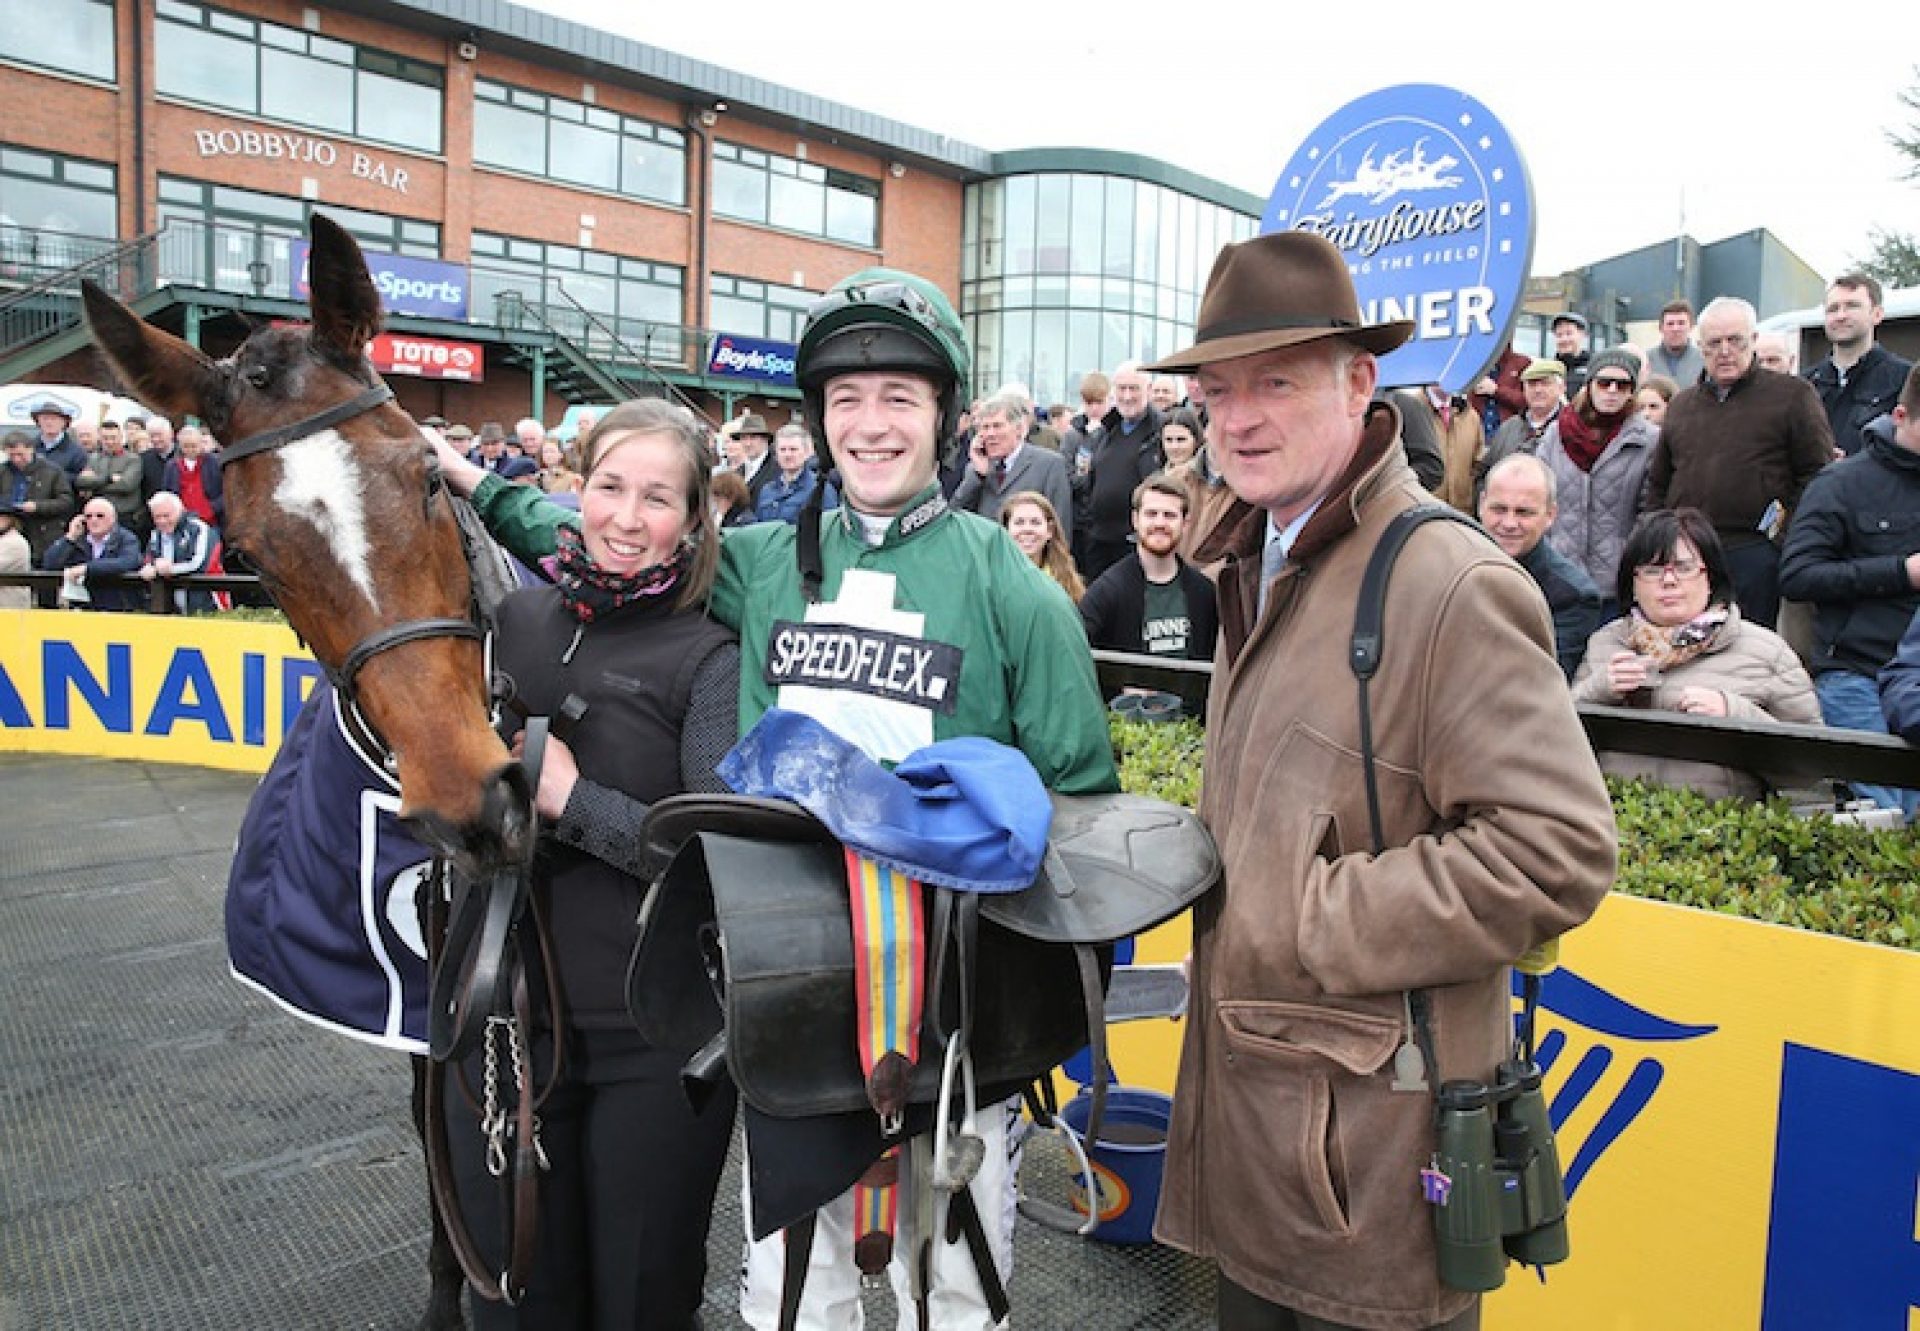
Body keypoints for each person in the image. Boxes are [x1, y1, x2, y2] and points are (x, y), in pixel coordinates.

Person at [441, 266, 1118, 1330]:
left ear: (942, 413)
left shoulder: (1016, 590)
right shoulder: (756, 563)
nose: (871, 423)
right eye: (847, 399)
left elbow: (1083, 811)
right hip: (791, 1000)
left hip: (956, 1018)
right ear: (818, 416)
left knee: (956, 1295)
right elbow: (620, 526)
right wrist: (465, 475)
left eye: (900, 396)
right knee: (795, 1296)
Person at [1156, 230, 1615, 1331]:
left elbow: (1557, 850)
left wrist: (1307, 913)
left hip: (1372, 1164)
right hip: (1268, 1138)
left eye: (1276, 379)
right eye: (1219, 389)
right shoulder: (1258, 552)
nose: (1240, 416)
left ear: (1361, 382)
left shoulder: (1448, 581)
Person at [454, 398, 743, 1328]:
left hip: (653, 1040)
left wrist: (572, 802)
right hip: (507, 1028)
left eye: (658, 498)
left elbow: (711, 865)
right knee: (516, 1296)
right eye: (609, 486)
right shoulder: (513, 618)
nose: (626, 516)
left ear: (696, 520)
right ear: (575, 489)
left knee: (641, 1300)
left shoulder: (712, 657)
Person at [1573, 508, 1819, 800]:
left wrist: (1736, 713)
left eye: (1684, 567)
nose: (1668, 581)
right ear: (1633, 585)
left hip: (1722, 836)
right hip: (1620, 829)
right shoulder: (1605, 643)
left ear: (1710, 577)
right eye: (1652, 571)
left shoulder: (1766, 652)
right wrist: (1595, 692)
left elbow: (1808, 773)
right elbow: (1553, 743)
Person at [1779, 362, 1920, 819]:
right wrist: (1901, 572)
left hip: (1913, 679)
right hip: (1857, 672)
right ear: (1900, 416)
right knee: (1895, 813)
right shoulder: (1842, 484)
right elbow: (1799, 574)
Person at [1641, 296, 1834, 628]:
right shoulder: (1683, 404)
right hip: (1688, 553)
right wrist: (1658, 539)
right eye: (1714, 342)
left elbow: (1817, 474)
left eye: (1735, 340)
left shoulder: (1792, 395)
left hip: (1755, 552)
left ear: (1753, 340)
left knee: (1748, 651)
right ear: (1700, 346)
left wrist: (1781, 539)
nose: (1725, 350)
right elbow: (1660, 481)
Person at [1536, 346, 1659, 616]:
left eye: (1623, 384)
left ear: (1632, 391)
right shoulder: (1556, 433)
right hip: (1559, 575)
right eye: (1604, 383)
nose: (1612, 391)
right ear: (1590, 385)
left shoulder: (1649, 440)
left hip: (1616, 582)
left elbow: (1650, 511)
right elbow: (1538, 498)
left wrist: (1632, 560)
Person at [1479, 455, 1603, 677]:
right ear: (1481, 505)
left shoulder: (1574, 596)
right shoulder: (1448, 570)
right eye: (1499, 509)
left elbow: (1545, 679)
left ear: (1550, 515)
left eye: (1523, 512)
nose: (1509, 523)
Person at [1078, 473, 1218, 660]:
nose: (1160, 523)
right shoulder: (1106, 592)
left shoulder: (1205, 593)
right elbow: (1077, 656)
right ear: (1135, 520)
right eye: (1151, 514)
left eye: (1169, 515)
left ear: (1185, 524)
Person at [1804, 273, 1914, 458]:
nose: (1840, 316)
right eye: (1832, 309)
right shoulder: (1804, 384)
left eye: (1852, 306)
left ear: (1877, 314)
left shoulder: (1905, 379)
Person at [1076, 360, 1166, 578]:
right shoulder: (1106, 430)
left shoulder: (1160, 431)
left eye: (1133, 388)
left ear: (1148, 390)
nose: (1127, 396)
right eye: (1121, 389)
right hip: (1099, 540)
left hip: (1137, 543)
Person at [950, 388, 1074, 540]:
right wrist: (978, 475)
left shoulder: (1050, 465)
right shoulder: (976, 469)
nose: (990, 434)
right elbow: (954, 518)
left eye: (997, 426)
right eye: (985, 427)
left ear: (1019, 429)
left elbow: (1061, 528)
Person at [42, 498, 144, 611]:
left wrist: (87, 568)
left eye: (100, 516)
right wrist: (70, 537)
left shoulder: (126, 538)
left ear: (113, 519)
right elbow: (49, 564)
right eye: (88, 516)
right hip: (83, 609)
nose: (93, 520)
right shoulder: (77, 539)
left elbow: (127, 562)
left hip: (118, 608)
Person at [1482, 357, 1566, 479]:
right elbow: (1486, 472)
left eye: (1545, 383)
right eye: (1532, 384)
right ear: (1524, 389)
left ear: (1561, 388)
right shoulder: (1508, 428)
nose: (1538, 390)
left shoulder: (1573, 428)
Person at [139, 491, 221, 612]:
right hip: (171, 603)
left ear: (180, 511)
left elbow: (199, 563)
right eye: (157, 517)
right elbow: (150, 557)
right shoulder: (156, 533)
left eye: (166, 516)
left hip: (205, 600)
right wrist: (148, 567)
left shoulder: (199, 529)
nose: (162, 521)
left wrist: (169, 569)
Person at [3, 429, 76, 563]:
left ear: (31, 449)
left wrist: (38, 506)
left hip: (42, 531)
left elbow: (66, 501)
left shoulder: (52, 471)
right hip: (10, 530)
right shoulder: (3, 471)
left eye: (20, 454)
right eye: (11, 455)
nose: (16, 459)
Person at [999, 489, 1084, 601]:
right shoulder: (992, 578)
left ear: (1050, 531)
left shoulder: (1067, 582)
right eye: (1019, 522)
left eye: (1035, 522)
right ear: (1006, 529)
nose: (1027, 529)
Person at [76, 419, 146, 535]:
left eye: (113, 437)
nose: (110, 442)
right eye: (105, 438)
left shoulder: (133, 459)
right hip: (97, 518)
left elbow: (126, 485)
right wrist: (109, 479)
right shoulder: (93, 459)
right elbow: (81, 482)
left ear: (121, 437)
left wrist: (94, 485)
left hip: (124, 517)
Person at [752, 423, 821, 524]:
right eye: (782, 450)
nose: (787, 455)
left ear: (807, 453)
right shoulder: (766, 490)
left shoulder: (819, 489)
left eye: (793, 449)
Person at [162, 425, 225, 528]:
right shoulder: (172, 466)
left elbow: (224, 491)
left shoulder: (214, 462)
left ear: (201, 444)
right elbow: (167, 493)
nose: (190, 450)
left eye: (194, 446)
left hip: (212, 519)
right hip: (182, 519)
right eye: (186, 446)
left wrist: (212, 508)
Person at [1644, 300, 1706, 386]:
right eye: (1670, 324)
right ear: (1661, 328)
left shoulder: (1704, 360)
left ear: (1691, 326)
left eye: (1681, 323)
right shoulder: (1645, 360)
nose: (1675, 329)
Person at [28, 399, 87, 481]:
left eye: (53, 419)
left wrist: (51, 476)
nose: (49, 422)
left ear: (64, 423)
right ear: (38, 422)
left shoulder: (77, 452)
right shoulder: (29, 447)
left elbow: (81, 479)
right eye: (45, 419)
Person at [1550, 311, 1592, 392]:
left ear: (1582, 334)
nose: (1564, 339)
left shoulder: (1594, 367)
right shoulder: (1550, 369)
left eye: (1569, 333)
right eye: (1559, 335)